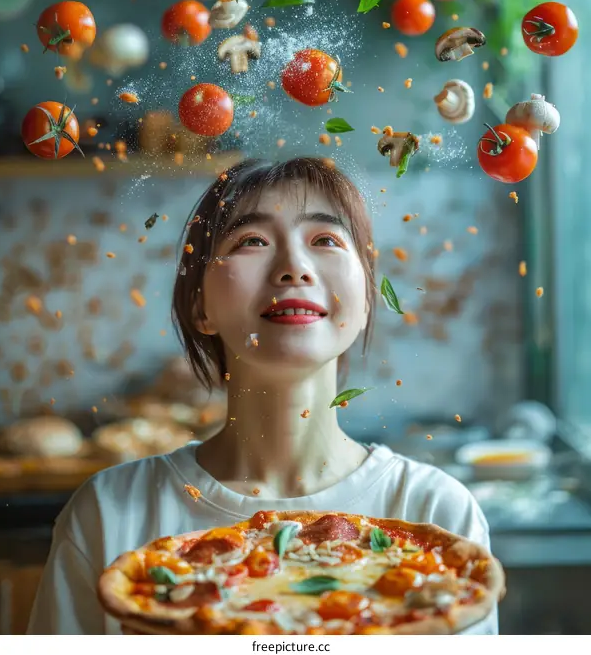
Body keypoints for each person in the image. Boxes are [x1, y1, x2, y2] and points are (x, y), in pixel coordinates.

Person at [27, 157, 498, 635]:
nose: (294, 267)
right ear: (200, 306)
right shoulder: (108, 513)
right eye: (252, 241)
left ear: (364, 303)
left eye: (326, 240)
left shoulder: (435, 511)